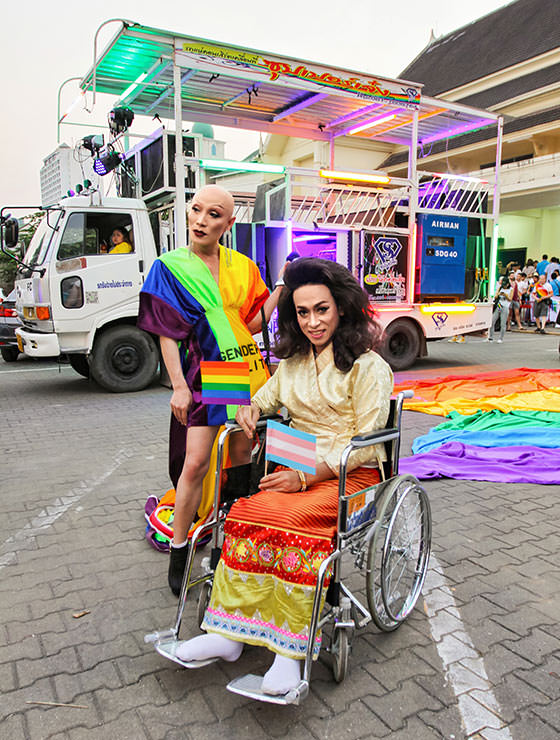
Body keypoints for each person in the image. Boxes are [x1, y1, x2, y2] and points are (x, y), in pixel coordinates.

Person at [174, 257, 393, 696]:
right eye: (303, 312)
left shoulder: (370, 368)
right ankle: (230, 635)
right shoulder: (293, 364)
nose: (312, 322)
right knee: (245, 513)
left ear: (343, 309)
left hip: (352, 472)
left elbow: (368, 443)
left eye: (322, 310)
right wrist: (251, 410)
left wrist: (307, 477)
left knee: (289, 522)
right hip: (299, 468)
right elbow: (263, 397)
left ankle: (289, 655)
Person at [137, 185, 284, 595]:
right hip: (205, 371)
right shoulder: (168, 266)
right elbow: (166, 333)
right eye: (197, 210)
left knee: (238, 461)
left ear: (229, 223)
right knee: (197, 462)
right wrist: (179, 386)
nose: (202, 219)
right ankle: (180, 548)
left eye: (214, 214)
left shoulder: (243, 265)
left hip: (244, 366)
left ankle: (230, 546)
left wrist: (280, 290)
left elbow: (253, 324)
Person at [487, 275, 513, 343]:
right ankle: (491, 337)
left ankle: (501, 338)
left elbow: (510, 299)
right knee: (492, 320)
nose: (504, 286)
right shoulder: (500, 288)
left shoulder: (511, 289)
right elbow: (495, 296)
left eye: (505, 285)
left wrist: (506, 295)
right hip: (499, 305)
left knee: (503, 323)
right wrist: (498, 294)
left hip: (506, 306)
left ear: (508, 284)